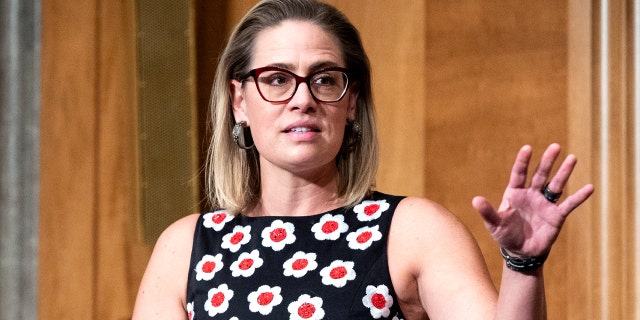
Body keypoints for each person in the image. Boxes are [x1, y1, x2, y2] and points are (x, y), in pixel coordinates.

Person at [132, 0, 594, 319]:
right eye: (276, 79)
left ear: (351, 102)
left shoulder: (412, 231)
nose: (302, 100)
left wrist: (522, 264)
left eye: (325, 79)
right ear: (238, 100)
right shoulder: (185, 247)